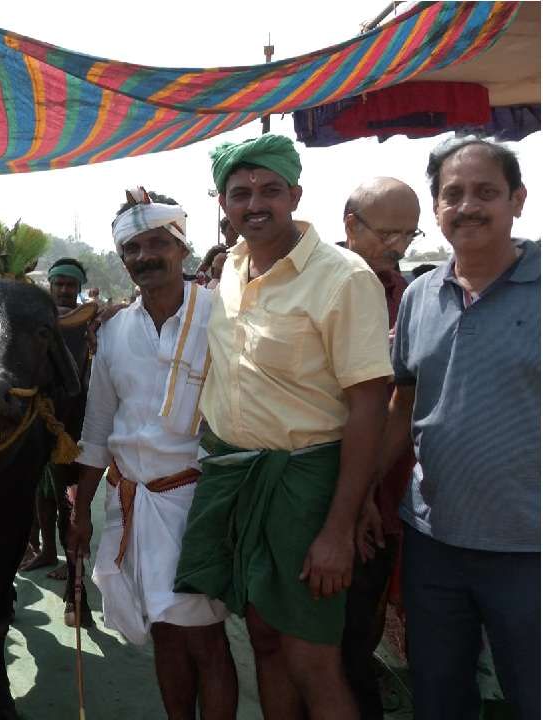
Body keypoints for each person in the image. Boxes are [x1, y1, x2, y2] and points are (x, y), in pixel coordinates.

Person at [174, 135, 392, 720]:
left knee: (311, 658)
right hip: (239, 480)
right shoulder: (230, 271)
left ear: (296, 193)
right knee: (265, 640)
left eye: (271, 189)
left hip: (307, 487)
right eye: (240, 192)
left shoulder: (343, 278)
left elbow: (370, 404)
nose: (255, 203)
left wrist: (339, 526)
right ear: (222, 202)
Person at [372, 136, 538, 719]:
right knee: (440, 697)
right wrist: (363, 490)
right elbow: (404, 403)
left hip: (528, 547)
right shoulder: (421, 295)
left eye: (486, 192)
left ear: (517, 200)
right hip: (434, 542)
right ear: (436, 207)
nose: (468, 206)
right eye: (453, 194)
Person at [70, 187, 236, 719]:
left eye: (157, 243)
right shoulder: (115, 331)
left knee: (204, 638)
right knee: (164, 634)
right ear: (122, 258)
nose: (145, 257)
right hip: (132, 503)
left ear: (182, 247)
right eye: (133, 248)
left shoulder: (225, 316)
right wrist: (79, 516)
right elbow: (97, 429)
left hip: (198, 504)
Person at [338, 177, 423, 718]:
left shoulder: (415, 296)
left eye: (408, 235)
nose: (396, 247)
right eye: (387, 233)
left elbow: (405, 402)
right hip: (323, 490)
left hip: (386, 494)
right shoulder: (314, 287)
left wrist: (367, 491)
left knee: (358, 632)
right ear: (350, 226)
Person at [20, 257, 89, 588]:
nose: (63, 290)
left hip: (73, 423)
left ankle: (74, 573)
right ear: (50, 284)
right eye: (58, 284)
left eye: (70, 285)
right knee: (40, 494)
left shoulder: (90, 320)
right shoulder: (37, 320)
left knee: (68, 499)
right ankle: (47, 551)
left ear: (78, 288)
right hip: (39, 421)